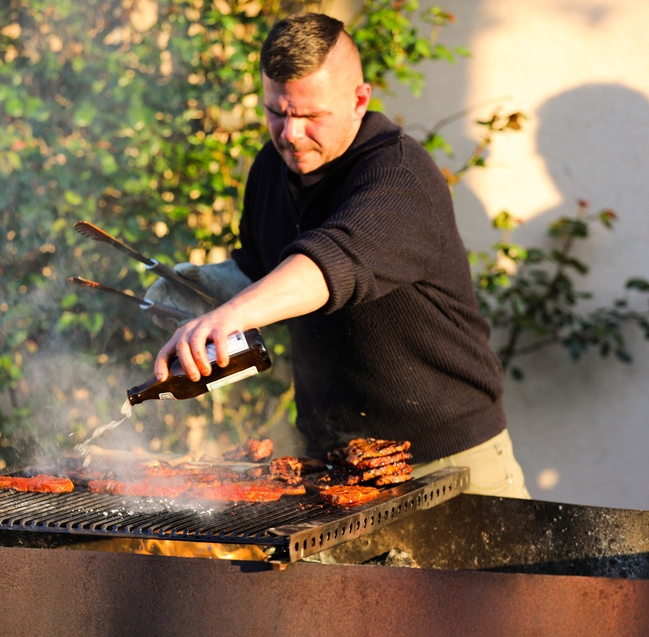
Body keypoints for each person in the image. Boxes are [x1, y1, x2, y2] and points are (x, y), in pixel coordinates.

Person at [145, 13, 529, 499]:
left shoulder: (399, 177)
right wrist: (209, 285)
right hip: (335, 458)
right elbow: (266, 268)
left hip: (450, 460)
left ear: (359, 100)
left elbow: (331, 263)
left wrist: (227, 316)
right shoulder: (270, 166)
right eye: (276, 112)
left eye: (311, 116)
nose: (290, 134)